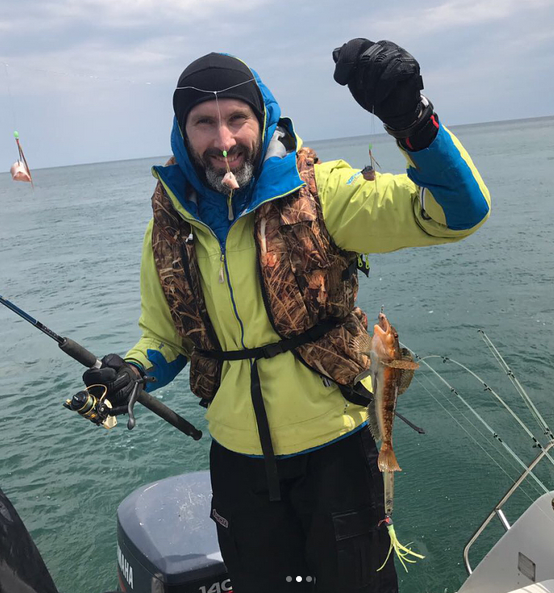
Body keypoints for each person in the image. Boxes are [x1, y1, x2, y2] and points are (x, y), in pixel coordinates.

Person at [82, 39, 491, 593]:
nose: (224, 140)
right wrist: (132, 372)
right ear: (182, 132)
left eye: (237, 118)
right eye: (204, 122)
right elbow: (167, 336)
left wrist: (414, 123)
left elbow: (459, 212)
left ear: (263, 118)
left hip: (338, 457)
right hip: (238, 467)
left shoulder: (323, 192)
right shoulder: (168, 227)